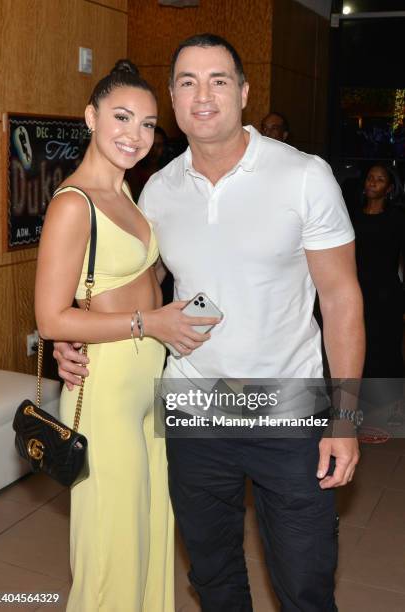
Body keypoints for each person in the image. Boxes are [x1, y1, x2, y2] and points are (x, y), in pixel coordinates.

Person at [54, 34, 364, 612]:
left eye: (218, 80)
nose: (203, 95)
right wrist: (69, 334)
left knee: (305, 581)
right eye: (188, 82)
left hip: (288, 409)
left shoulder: (303, 175)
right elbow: (129, 288)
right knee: (214, 575)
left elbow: (342, 299)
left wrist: (345, 418)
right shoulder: (157, 193)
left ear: (244, 92)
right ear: (172, 98)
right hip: (194, 411)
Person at [35, 59, 219, 612]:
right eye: (120, 117)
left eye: (146, 124)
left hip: (147, 384)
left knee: (150, 534)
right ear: (90, 117)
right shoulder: (74, 204)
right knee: (112, 547)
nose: (134, 135)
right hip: (107, 389)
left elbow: (134, 280)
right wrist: (149, 323)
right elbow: (51, 320)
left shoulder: (128, 195)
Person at [351, 164, 405, 377]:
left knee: (386, 347)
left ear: (390, 188)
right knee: (358, 346)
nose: (372, 182)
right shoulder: (352, 217)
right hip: (356, 291)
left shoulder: (398, 218)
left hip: (386, 294)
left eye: (380, 179)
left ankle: (392, 403)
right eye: (370, 177)